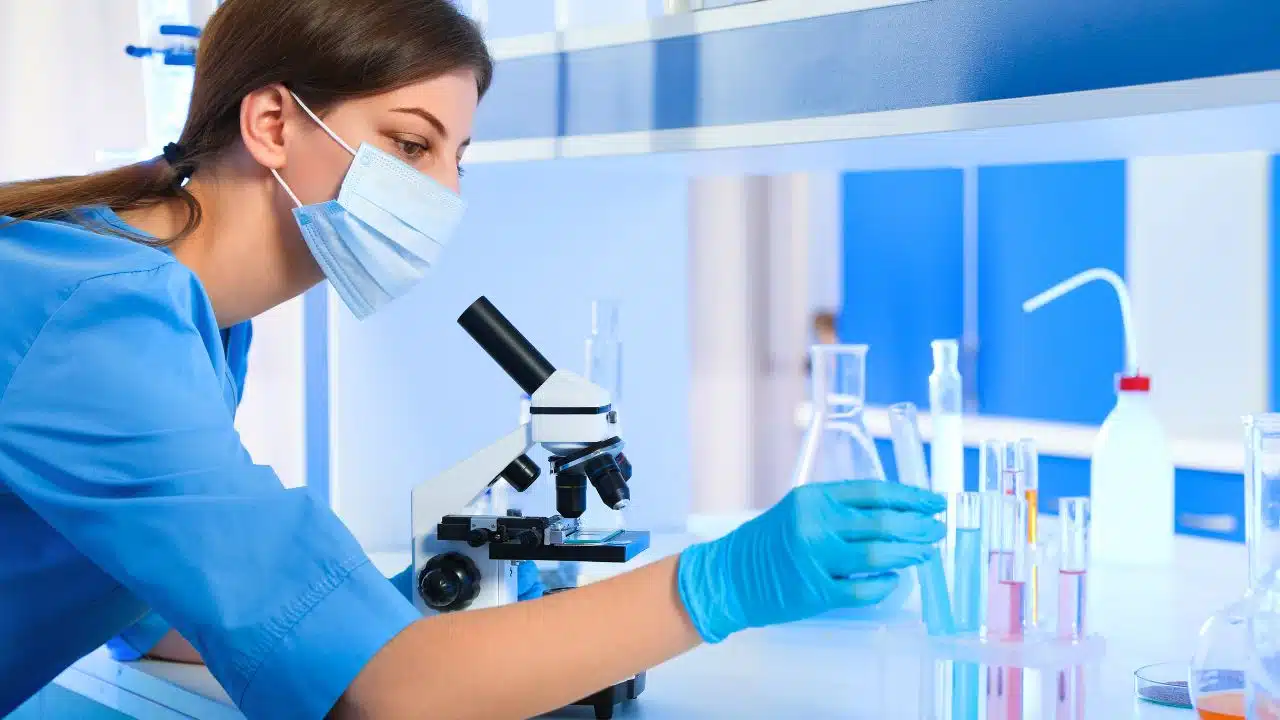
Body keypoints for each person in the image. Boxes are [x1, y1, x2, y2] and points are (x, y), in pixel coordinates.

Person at [0, 0, 946, 717]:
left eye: (459, 157)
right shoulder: (103, 321)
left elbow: (162, 602)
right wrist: (729, 580)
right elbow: (391, 698)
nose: (445, 191)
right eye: (410, 144)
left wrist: (376, 616)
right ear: (273, 124)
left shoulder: (186, 320)